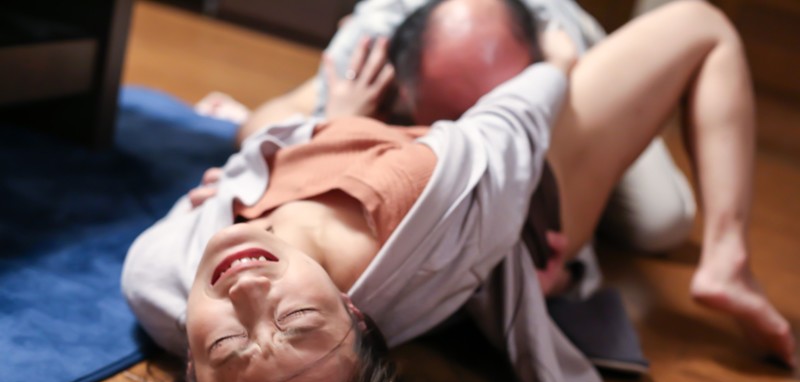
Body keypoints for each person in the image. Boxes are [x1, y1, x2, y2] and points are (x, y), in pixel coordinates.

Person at [122, 1, 797, 382]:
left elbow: (245, 163)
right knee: (682, 102)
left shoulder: (157, 278)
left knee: (258, 125)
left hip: (371, 103)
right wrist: (557, 63)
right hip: (515, 87)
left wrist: (315, 130)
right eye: (296, 317)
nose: (245, 288)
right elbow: (517, 111)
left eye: (227, 343)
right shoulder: (438, 197)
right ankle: (727, 258)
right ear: (357, 315)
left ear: (193, 369)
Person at [203, 0, 698, 255]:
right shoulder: (374, 41)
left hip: (572, 56)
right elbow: (259, 130)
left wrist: (558, 79)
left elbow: (555, 241)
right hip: (390, 69)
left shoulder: (555, 51)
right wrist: (336, 125)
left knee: (662, 222)